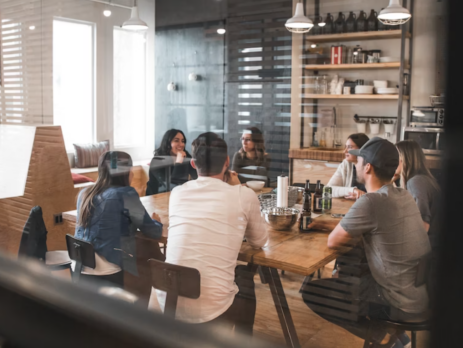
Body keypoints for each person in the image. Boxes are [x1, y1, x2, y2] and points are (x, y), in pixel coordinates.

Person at [301, 137, 431, 348]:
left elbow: (334, 242)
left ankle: (386, 337)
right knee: (355, 264)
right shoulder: (402, 194)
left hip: (395, 301)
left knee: (312, 292)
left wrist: (328, 227)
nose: (356, 164)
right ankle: (393, 336)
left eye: (360, 160)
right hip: (416, 294)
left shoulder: (371, 201)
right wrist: (326, 224)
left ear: (368, 167)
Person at [150, 132, 268, 335]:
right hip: (213, 310)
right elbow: (259, 241)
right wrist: (237, 188)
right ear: (227, 162)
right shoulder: (243, 194)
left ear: (193, 164)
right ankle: (243, 340)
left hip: (168, 301)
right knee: (245, 278)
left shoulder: (177, 193)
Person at [75, 151, 163, 288]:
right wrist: (157, 222)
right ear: (126, 172)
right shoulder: (125, 194)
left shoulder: (84, 194)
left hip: (81, 267)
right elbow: (153, 232)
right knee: (148, 253)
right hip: (107, 270)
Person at [394, 140, 441, 251]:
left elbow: (422, 226)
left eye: (394, 156)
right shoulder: (422, 179)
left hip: (431, 249)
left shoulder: (416, 182)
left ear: (404, 158)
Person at [146, 129, 198, 195]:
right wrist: (179, 161)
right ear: (167, 143)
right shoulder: (157, 161)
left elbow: (197, 177)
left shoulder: (186, 156)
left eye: (183, 141)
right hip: (157, 198)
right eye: (176, 141)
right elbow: (171, 186)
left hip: (179, 196)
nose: (181, 144)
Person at [326, 133, 369, 199]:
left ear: (361, 149)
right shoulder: (345, 164)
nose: (345, 151)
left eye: (349, 147)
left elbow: (379, 195)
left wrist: (362, 196)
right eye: (345, 147)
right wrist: (353, 190)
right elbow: (327, 190)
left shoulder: (371, 166)